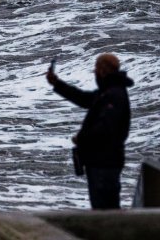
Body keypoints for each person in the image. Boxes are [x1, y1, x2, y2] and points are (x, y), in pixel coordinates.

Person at [46, 53, 134, 209]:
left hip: (105, 162)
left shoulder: (114, 94)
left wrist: (81, 138)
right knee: (105, 209)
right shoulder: (109, 91)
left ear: (102, 71)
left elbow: (106, 128)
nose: (96, 73)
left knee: (105, 210)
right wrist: (57, 84)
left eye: (96, 69)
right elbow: (84, 99)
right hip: (102, 162)